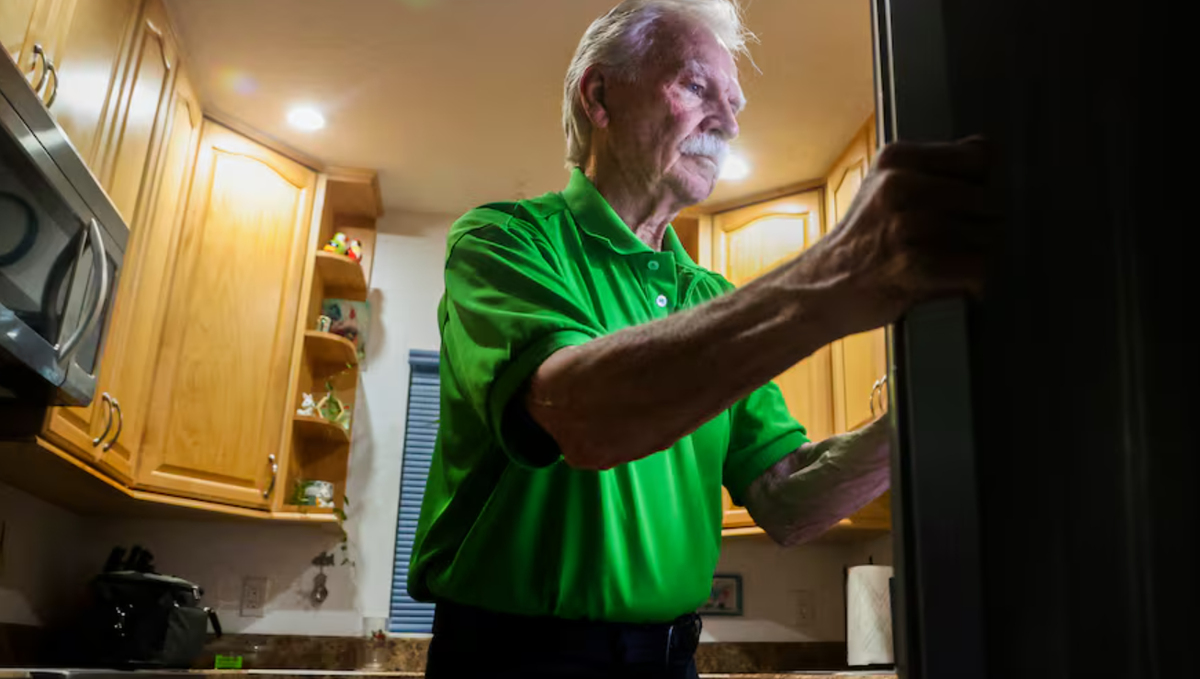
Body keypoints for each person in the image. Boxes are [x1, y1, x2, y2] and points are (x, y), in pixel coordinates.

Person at [409, 1, 990, 676]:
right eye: (695, 86)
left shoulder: (711, 299)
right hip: (513, 659)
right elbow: (581, 415)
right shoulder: (504, 240)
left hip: (672, 659)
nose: (730, 121)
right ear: (599, 95)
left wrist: (934, 403)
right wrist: (833, 277)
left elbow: (788, 498)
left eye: (735, 102)